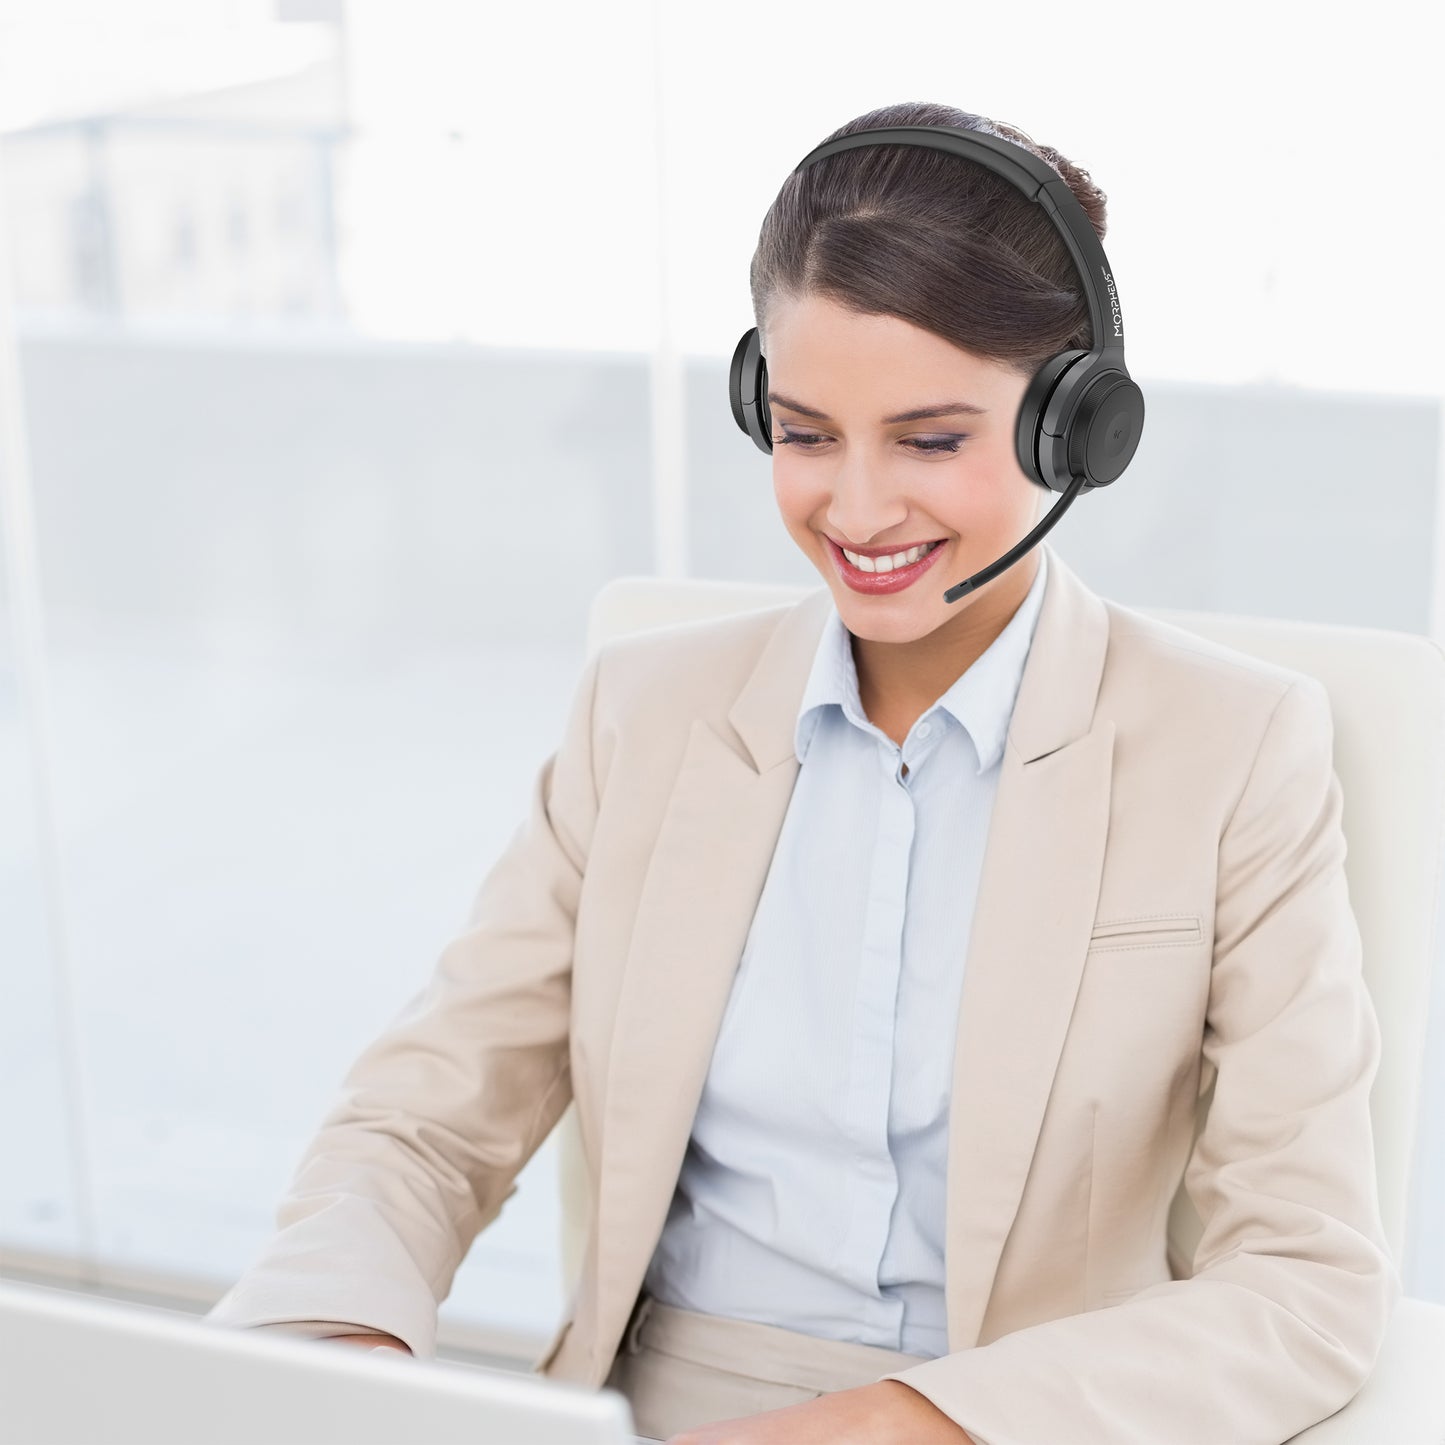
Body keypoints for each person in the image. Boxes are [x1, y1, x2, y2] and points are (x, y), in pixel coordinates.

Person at [206, 101, 1399, 1445]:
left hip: (1000, 1416)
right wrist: (329, 1362)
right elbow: (421, 1125)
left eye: (932, 440)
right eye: (805, 431)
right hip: (651, 1411)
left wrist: (887, 1424)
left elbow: (1305, 1279)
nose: (857, 507)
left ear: (1076, 426)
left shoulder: (1231, 747)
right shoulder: (645, 713)